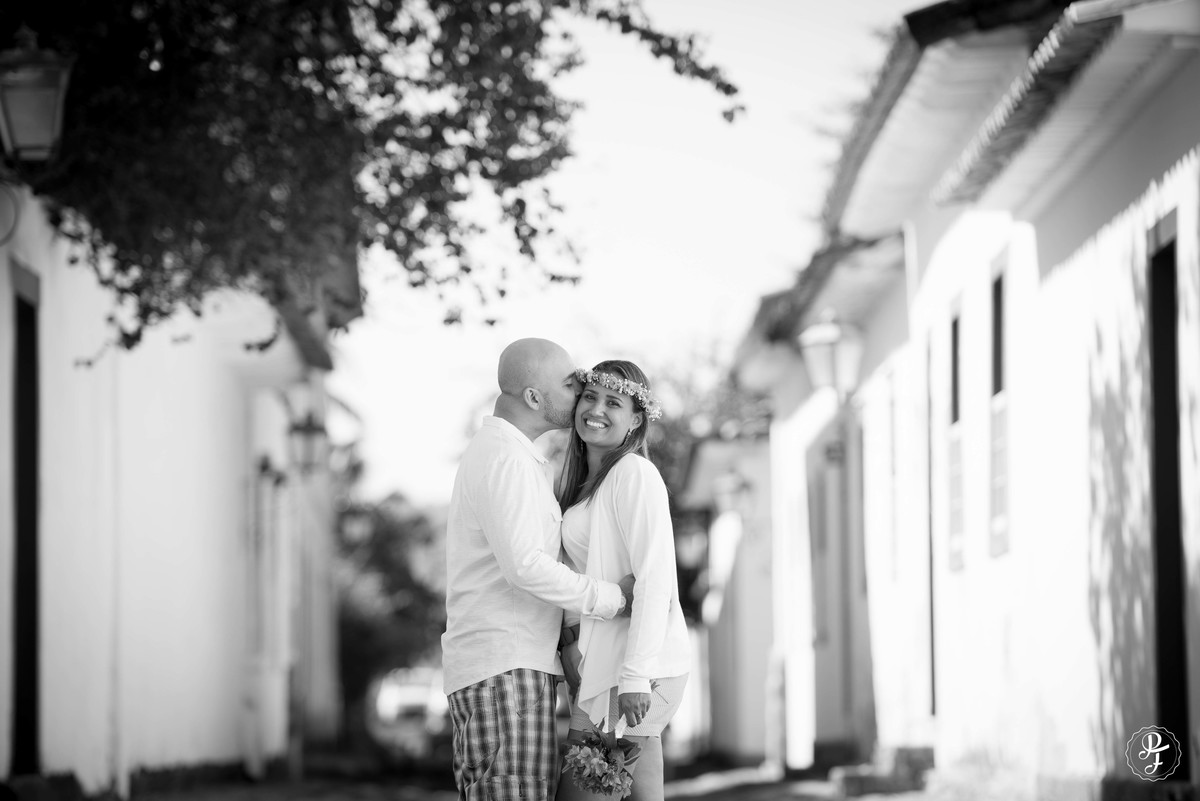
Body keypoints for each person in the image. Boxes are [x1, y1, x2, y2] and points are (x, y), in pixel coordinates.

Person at [442, 338, 636, 801]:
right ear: (533, 397)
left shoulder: (514, 457)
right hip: (505, 670)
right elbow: (526, 566)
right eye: (571, 384)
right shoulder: (505, 459)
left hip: (509, 666)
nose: (582, 392)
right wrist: (614, 598)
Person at [555, 360, 690, 801]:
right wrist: (572, 640)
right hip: (605, 664)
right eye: (590, 397)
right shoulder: (587, 483)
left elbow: (655, 581)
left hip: (636, 670)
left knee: (583, 795)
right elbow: (579, 575)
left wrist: (635, 678)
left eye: (613, 402)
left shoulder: (634, 473)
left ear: (636, 420)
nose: (596, 409)